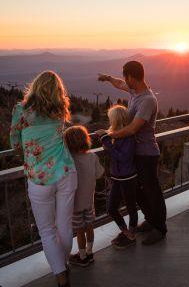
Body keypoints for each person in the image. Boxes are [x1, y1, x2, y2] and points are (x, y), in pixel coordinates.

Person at [10, 71, 76, 287]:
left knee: (47, 231)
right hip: (66, 170)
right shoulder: (60, 110)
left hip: (39, 177)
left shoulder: (21, 110)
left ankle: (61, 276)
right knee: (64, 226)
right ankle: (63, 263)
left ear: (35, 87)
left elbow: (15, 144)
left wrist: (26, 154)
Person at [98, 61, 167, 245]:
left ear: (132, 77)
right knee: (137, 191)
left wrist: (108, 135)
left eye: (125, 77)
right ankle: (151, 220)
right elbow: (120, 83)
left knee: (152, 192)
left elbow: (132, 129)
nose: (124, 81)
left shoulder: (148, 100)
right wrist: (108, 78)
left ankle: (160, 228)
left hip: (147, 154)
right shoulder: (135, 91)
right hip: (136, 153)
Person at [96, 105, 138, 249]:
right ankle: (125, 232)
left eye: (110, 118)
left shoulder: (129, 136)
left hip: (128, 177)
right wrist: (106, 138)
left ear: (116, 119)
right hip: (117, 177)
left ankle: (131, 234)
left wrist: (106, 140)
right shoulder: (115, 133)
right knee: (112, 208)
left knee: (132, 207)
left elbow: (123, 157)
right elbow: (111, 149)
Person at [64, 126, 104, 267]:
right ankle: (89, 252)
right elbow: (99, 174)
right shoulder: (92, 156)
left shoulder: (70, 160)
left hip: (75, 204)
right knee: (89, 226)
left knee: (79, 231)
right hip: (89, 202)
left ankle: (82, 258)